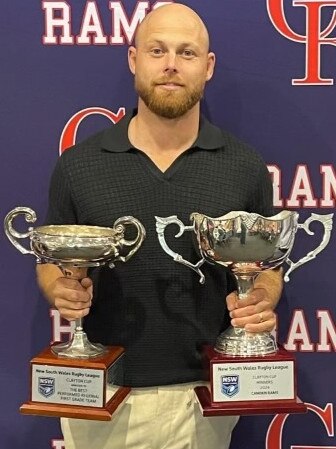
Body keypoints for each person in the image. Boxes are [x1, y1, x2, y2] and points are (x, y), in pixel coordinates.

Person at [36, 4, 283, 449]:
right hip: (102, 393)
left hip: (204, 397)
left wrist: (261, 297)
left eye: (187, 53)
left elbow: (265, 267)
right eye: (157, 50)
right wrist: (59, 288)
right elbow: (51, 260)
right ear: (134, 60)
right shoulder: (78, 166)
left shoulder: (245, 167)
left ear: (207, 68)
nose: (171, 64)